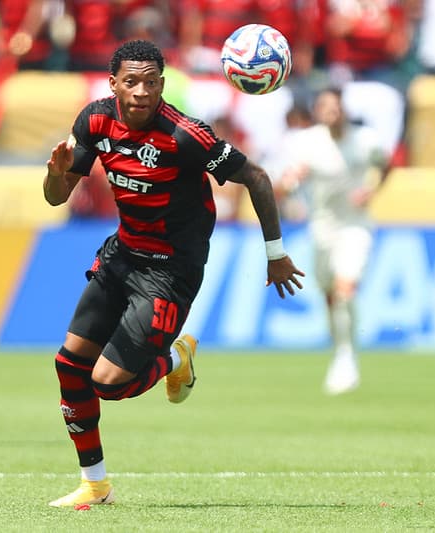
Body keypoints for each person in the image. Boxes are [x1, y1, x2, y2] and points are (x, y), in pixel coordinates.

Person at [43, 39, 304, 507]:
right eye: (131, 81)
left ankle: (176, 360)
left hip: (169, 272)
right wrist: (55, 175)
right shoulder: (95, 121)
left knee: (108, 384)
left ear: (162, 84)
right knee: (68, 365)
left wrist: (276, 252)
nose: (141, 91)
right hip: (121, 256)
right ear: (113, 84)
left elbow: (258, 179)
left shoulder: (187, 136)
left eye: (150, 82)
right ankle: (95, 484)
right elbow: (56, 198)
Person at [273, 87, 390, 396]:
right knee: (329, 294)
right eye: (325, 107)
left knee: (345, 288)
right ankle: (340, 346)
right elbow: (287, 182)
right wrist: (289, 182)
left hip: (356, 226)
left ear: (344, 109)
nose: (332, 112)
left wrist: (371, 189)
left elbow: (384, 165)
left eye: (336, 106)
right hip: (321, 229)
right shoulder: (307, 142)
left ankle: (346, 357)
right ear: (318, 112)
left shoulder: (365, 140)